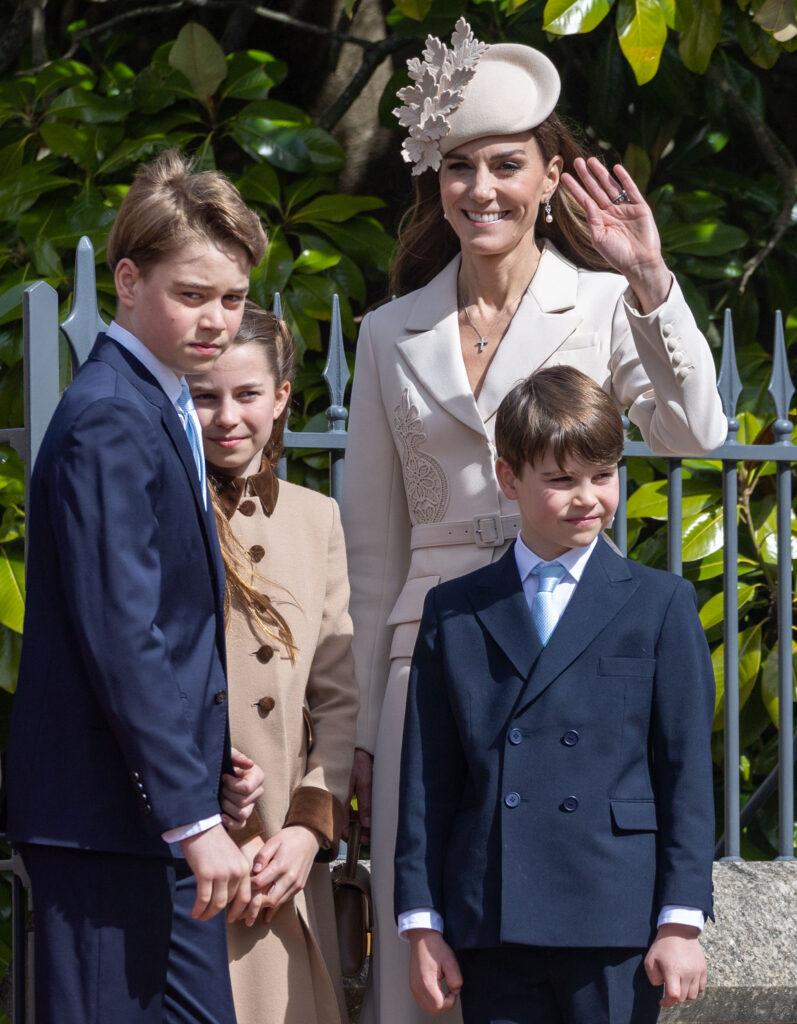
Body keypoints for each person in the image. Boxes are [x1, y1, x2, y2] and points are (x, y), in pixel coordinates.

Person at [341, 17, 726, 1024]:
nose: (481, 190)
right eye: (458, 167)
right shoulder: (388, 332)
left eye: (506, 165)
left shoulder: (601, 303)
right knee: (425, 963)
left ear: (550, 177)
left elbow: (694, 433)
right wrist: (356, 732)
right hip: (430, 662)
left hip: (570, 646)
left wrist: (650, 282)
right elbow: (369, 549)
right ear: (434, 181)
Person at [4, 150, 267, 1023]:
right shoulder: (112, 416)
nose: (216, 320)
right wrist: (191, 816)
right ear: (127, 280)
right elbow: (124, 633)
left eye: (232, 298)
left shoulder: (155, 401)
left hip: (147, 818)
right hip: (106, 825)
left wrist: (206, 768)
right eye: (192, 294)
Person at [395, 365, 716, 1023]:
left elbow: (684, 771)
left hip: (614, 912)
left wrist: (680, 921)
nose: (587, 498)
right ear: (508, 477)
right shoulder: (455, 610)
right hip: (493, 911)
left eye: (603, 475)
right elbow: (428, 779)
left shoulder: (660, 603)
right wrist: (422, 925)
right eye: (561, 480)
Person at [188, 301, 359, 1024]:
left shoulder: (318, 518)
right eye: (205, 396)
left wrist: (307, 830)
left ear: (283, 396)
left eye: (248, 394)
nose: (227, 417)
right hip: (193, 857)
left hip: (282, 859)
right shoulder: (158, 509)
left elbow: (338, 696)